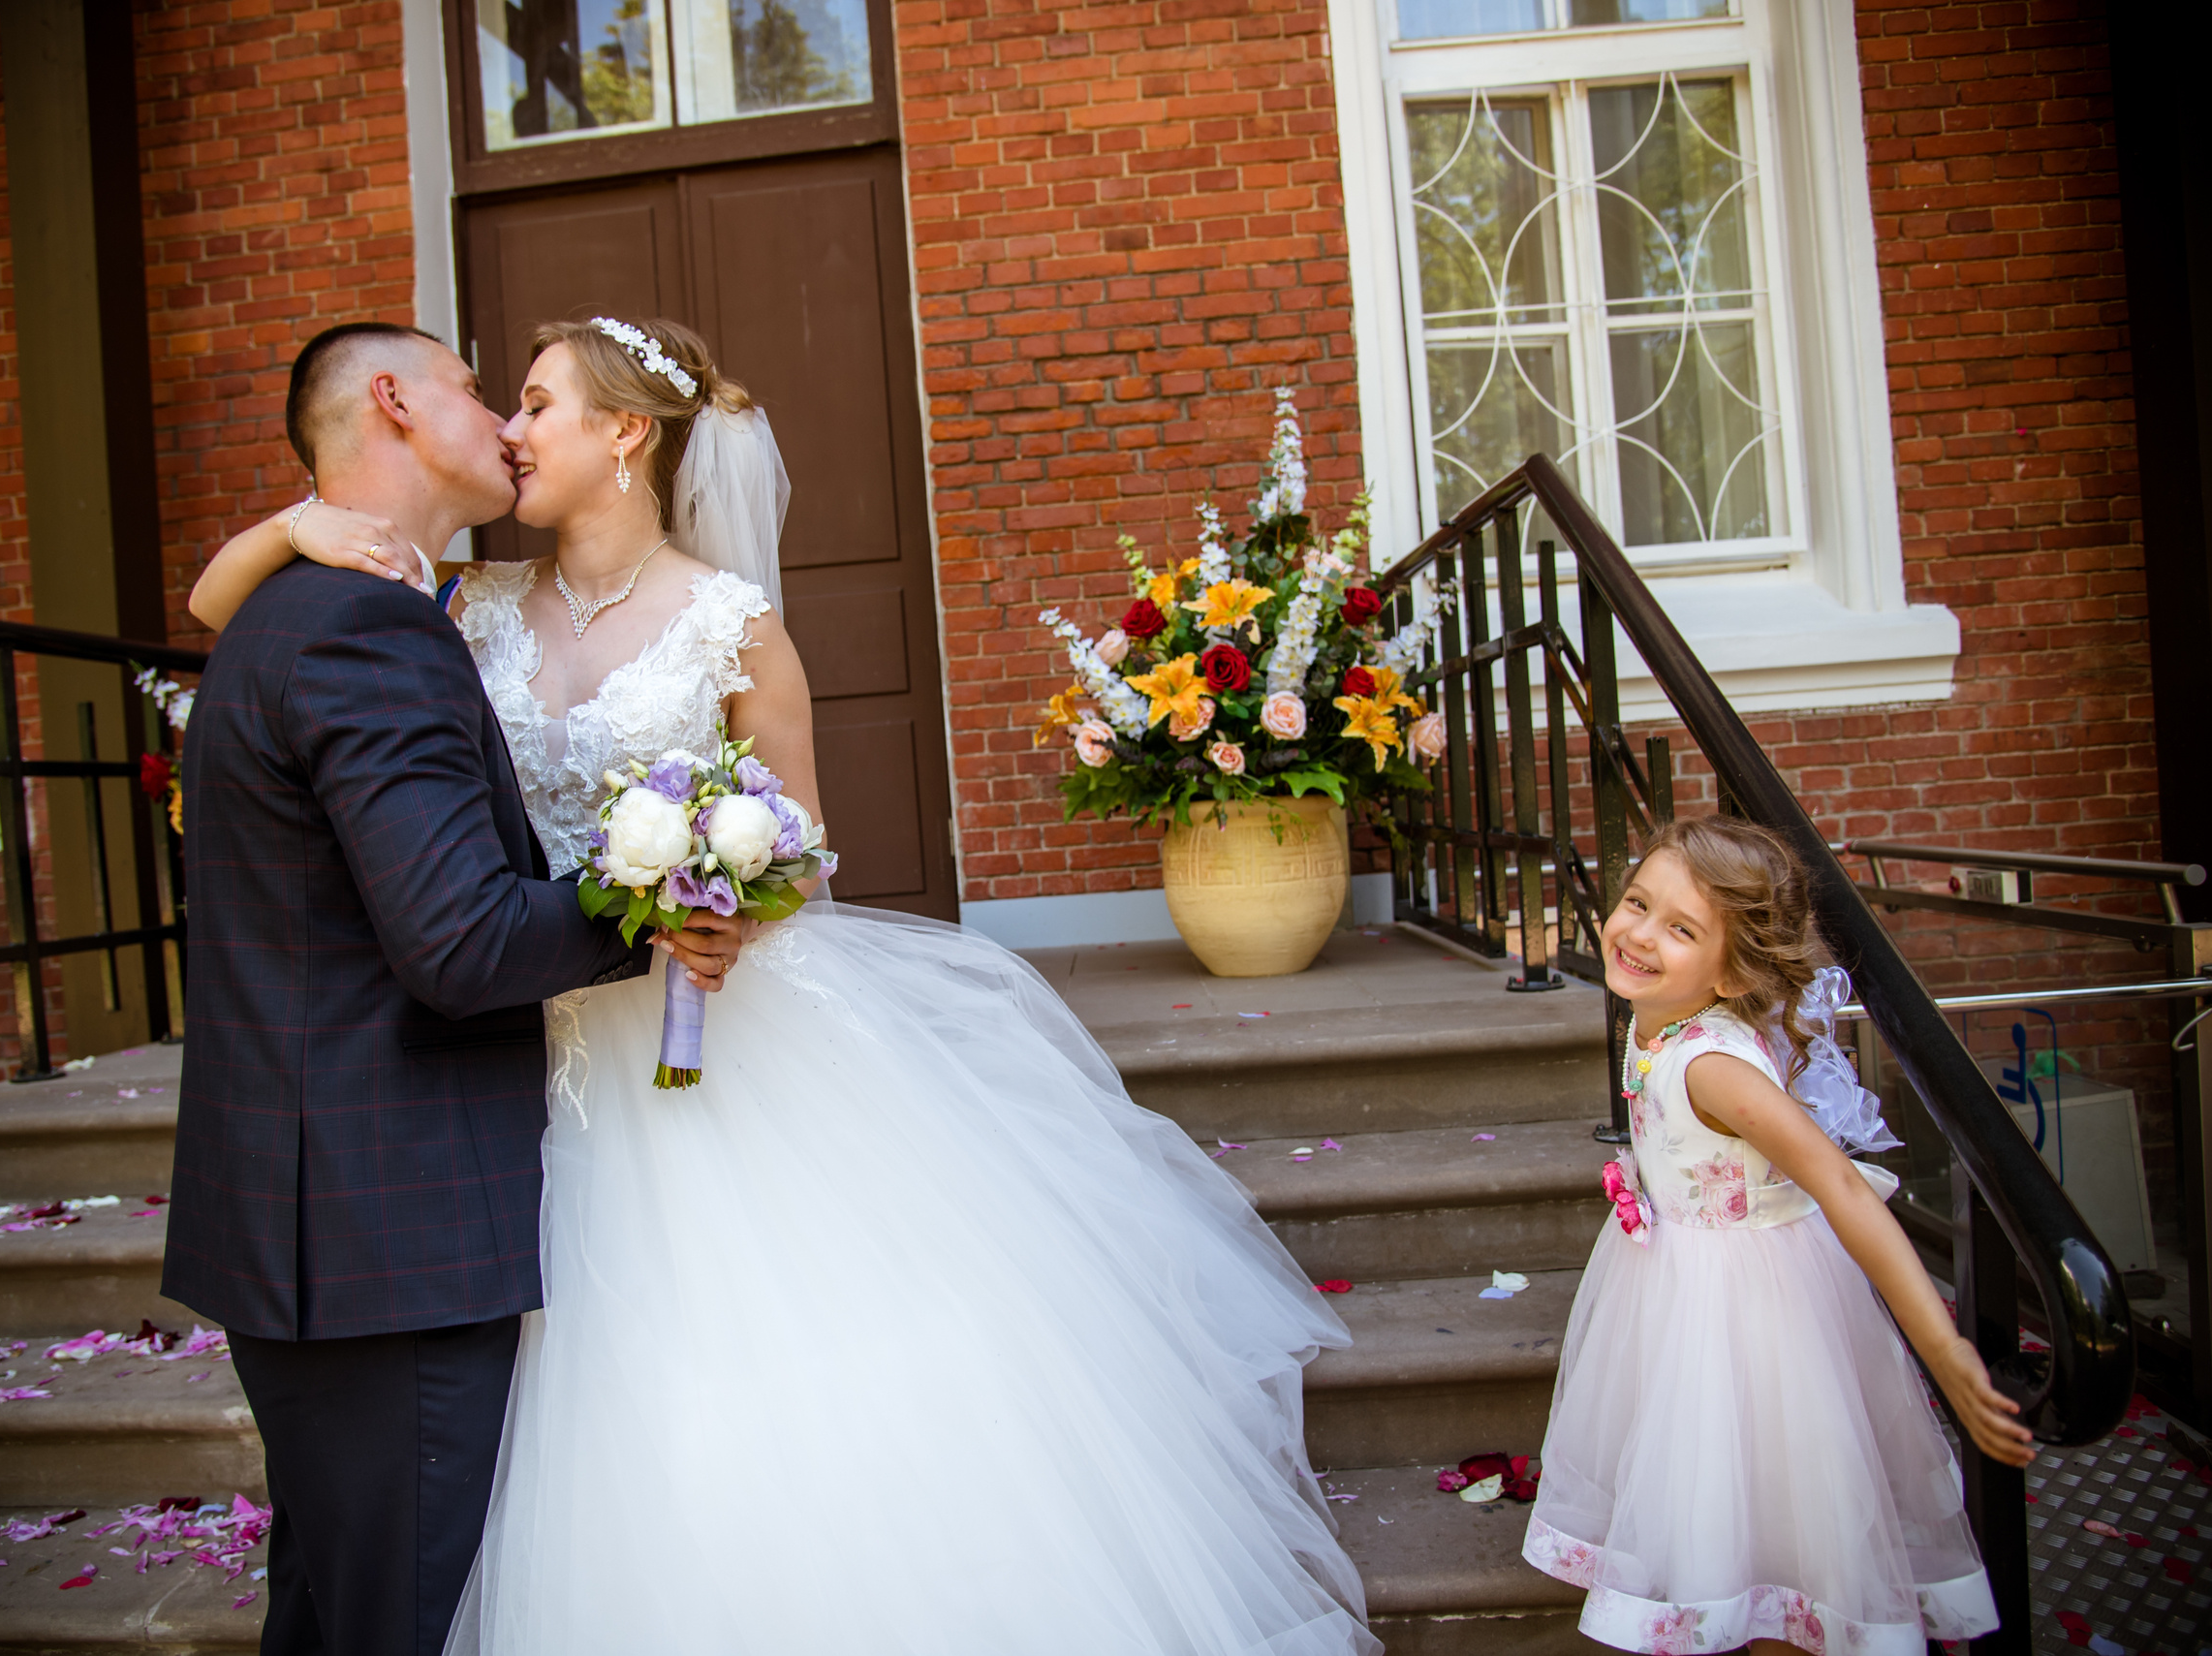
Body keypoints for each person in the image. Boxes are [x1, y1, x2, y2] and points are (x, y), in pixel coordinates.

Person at [188, 316, 1381, 1655]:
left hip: (691, 1033)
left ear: (625, 433)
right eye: (499, 401)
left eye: (536, 403)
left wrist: (718, 890)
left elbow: (798, 843)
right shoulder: (458, 600)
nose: (513, 430)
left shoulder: (731, 623)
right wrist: (288, 531)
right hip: (513, 1031)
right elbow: (226, 615)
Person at [163, 322, 742, 1656]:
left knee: (334, 1609)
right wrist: (663, 896)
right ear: (392, 403)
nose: (502, 419)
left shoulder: (309, 601)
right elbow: (463, 943)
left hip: (320, 1222)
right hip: (387, 1242)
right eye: (480, 389)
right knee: (402, 1621)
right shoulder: (376, 625)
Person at [1523, 813, 2029, 1654]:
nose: (1639, 934)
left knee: (1785, 1537)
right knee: (1728, 1518)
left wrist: (1940, 1347)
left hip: (1753, 1319)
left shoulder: (1713, 1065)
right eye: (1638, 901)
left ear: (1731, 973)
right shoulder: (1654, 1018)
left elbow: (1838, 1182)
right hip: (1681, 1288)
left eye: (1681, 928)